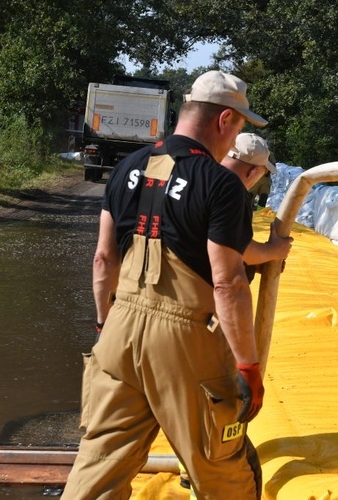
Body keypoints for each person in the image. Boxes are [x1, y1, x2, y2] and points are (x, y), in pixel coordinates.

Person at [63, 70, 272, 499]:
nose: (235, 138)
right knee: (220, 468)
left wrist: (105, 325)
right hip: (184, 338)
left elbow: (104, 258)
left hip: (118, 331)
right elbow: (228, 283)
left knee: (100, 462)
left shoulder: (125, 168)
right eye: (239, 126)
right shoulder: (220, 184)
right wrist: (248, 366)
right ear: (225, 120)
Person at [221, 133, 291, 271]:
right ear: (254, 171)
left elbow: (217, 246)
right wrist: (274, 251)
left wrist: (256, 264)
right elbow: (241, 250)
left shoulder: (203, 174)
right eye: (262, 172)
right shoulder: (231, 195)